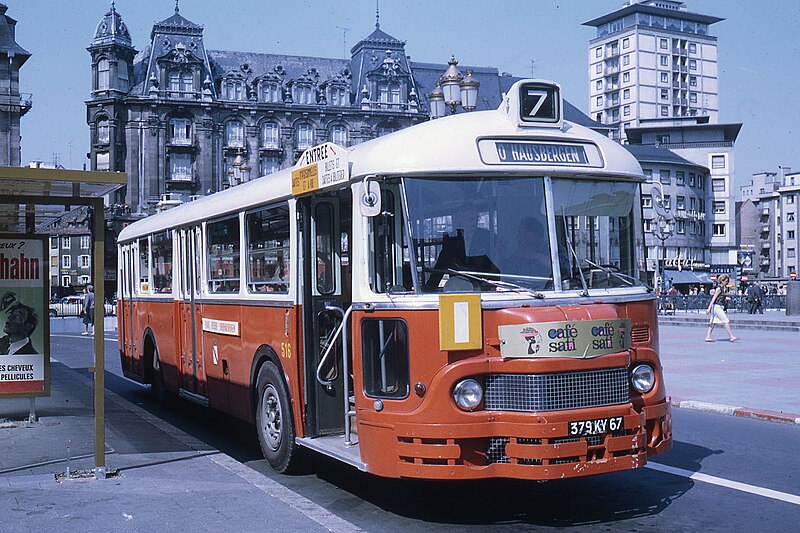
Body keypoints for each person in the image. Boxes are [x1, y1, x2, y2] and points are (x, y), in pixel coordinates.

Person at [705, 274, 737, 342]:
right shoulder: (719, 288)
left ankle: (708, 336)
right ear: (722, 281)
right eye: (726, 281)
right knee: (726, 320)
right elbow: (714, 298)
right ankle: (731, 336)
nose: (727, 282)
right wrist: (709, 308)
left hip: (718, 306)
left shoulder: (722, 288)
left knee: (713, 322)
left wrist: (726, 298)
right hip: (717, 307)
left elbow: (720, 297)